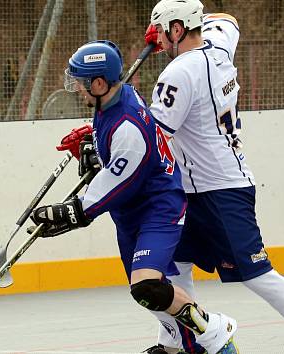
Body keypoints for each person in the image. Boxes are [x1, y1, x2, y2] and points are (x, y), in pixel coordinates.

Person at [30, 40, 238, 354]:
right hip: (131, 212)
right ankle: (178, 347)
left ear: (100, 84)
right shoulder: (116, 97)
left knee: (147, 284)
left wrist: (73, 211)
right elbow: (118, 154)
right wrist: (95, 146)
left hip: (158, 208)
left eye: (82, 83)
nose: (77, 89)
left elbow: (117, 182)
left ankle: (215, 331)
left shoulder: (127, 126)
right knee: (144, 292)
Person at [142, 1, 284, 353]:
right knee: (174, 265)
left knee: (259, 275)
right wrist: (173, 26)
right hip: (192, 188)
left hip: (221, 190)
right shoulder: (219, 44)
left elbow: (155, 137)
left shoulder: (179, 73)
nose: (160, 41)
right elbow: (227, 20)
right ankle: (174, 344)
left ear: (177, 30)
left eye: (164, 32)